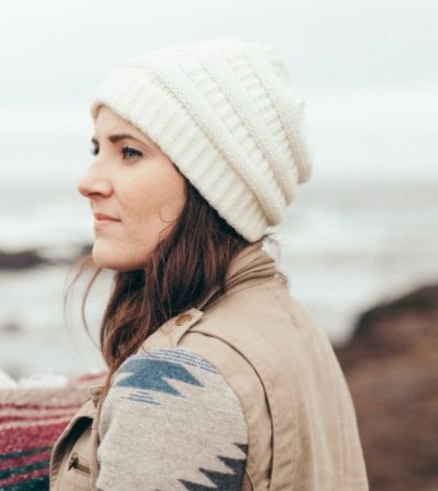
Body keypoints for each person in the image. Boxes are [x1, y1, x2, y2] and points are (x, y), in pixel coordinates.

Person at [48, 39, 369, 490]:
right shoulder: (289, 324)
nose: (89, 182)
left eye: (130, 152)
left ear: (212, 185)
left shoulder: (175, 386)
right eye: (96, 148)